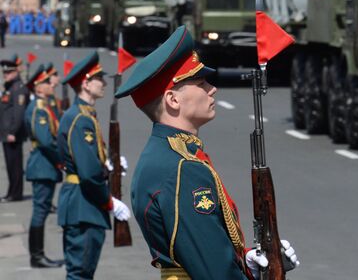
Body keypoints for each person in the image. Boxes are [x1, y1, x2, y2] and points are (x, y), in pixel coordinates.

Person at [115, 26, 299, 280]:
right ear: (173, 100)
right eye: (200, 83)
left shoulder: (169, 155)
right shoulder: (183, 168)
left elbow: (202, 249)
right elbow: (215, 272)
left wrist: (246, 261)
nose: (212, 89)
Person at [56, 51, 131, 279]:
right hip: (84, 205)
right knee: (80, 273)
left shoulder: (83, 115)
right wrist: (110, 203)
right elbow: (88, 174)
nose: (105, 83)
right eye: (99, 78)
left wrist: (109, 167)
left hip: (82, 203)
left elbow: (86, 161)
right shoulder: (81, 119)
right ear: (86, 84)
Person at [24, 64, 64, 268]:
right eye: (47, 82)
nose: (51, 85)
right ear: (39, 87)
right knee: (40, 210)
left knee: (41, 208)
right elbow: (46, 140)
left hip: (45, 164)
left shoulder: (44, 105)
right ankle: (37, 256)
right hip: (43, 165)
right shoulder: (38, 108)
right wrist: (61, 159)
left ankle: (38, 255)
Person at [0, 57, 29, 202]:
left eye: (9, 72)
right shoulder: (9, 87)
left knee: (15, 166)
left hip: (12, 134)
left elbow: (19, 113)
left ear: (15, 72)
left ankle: (16, 194)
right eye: (4, 73)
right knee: (10, 166)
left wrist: (12, 131)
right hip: (6, 133)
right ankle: (11, 191)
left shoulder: (18, 89)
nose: (5, 75)